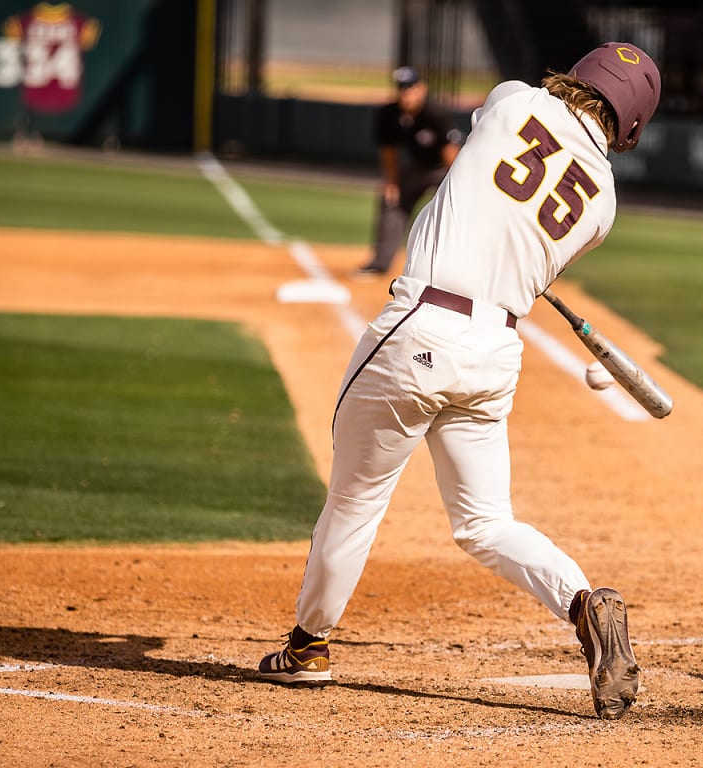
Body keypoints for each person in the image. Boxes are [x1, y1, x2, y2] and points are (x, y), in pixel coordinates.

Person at [255, 43, 662, 720]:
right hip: (495, 349)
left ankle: (308, 649)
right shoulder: (604, 207)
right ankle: (584, 602)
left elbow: (488, 160)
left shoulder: (513, 99)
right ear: (632, 125)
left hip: (421, 326)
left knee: (355, 498)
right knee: (484, 521)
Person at [352, 66, 463, 278]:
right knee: (391, 201)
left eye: (410, 87)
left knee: (452, 213)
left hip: (444, 169)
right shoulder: (389, 114)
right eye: (402, 88)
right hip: (415, 167)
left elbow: (451, 154)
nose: (406, 93)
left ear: (421, 88)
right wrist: (391, 183)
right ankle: (380, 263)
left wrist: (456, 187)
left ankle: (452, 268)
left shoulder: (435, 113)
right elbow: (388, 151)